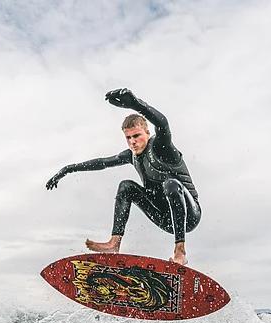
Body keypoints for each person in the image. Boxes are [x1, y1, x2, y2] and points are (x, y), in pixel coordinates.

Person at [46, 88, 200, 265]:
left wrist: (135, 104)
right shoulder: (130, 156)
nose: (132, 141)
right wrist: (68, 168)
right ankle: (114, 242)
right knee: (126, 186)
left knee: (170, 184)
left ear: (147, 134)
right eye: (128, 138)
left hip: (189, 214)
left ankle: (180, 250)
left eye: (137, 136)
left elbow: (163, 124)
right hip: (164, 219)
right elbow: (102, 162)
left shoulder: (161, 147)